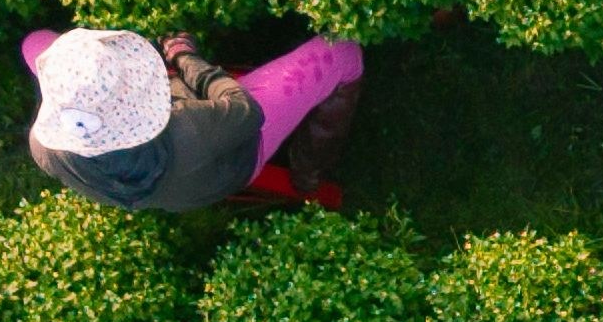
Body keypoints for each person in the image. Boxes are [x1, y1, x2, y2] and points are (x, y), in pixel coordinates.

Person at [22, 25, 364, 211]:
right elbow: (245, 111)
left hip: (166, 191)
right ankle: (307, 172)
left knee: (35, 43)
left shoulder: (45, 146)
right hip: (238, 158)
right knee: (344, 53)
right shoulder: (189, 129)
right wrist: (185, 56)